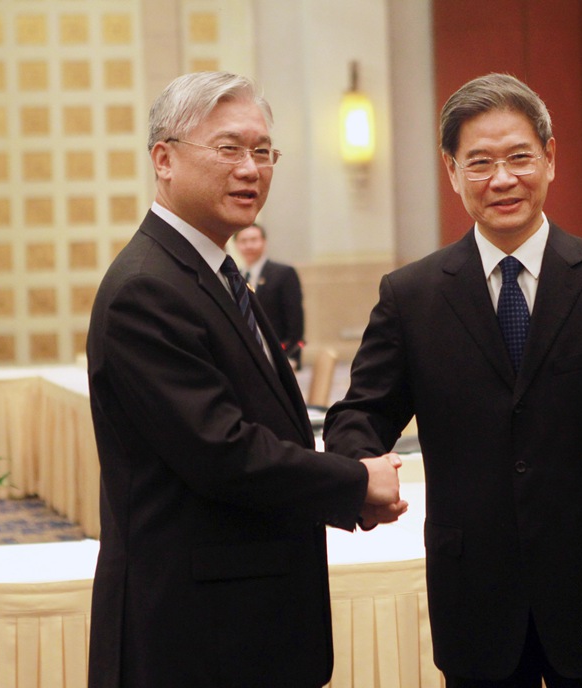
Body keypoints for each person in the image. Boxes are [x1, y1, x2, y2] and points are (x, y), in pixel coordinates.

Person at [324, 73, 582, 687]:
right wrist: (361, 467)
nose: (503, 179)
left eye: (519, 157)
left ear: (550, 158)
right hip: (475, 600)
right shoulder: (412, 297)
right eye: (481, 162)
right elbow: (361, 412)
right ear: (452, 170)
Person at [86, 71, 406, 688]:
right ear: (164, 160)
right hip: (194, 637)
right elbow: (222, 452)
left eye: (263, 151)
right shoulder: (147, 288)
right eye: (228, 148)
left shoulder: (212, 272)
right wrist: (355, 481)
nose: (250, 169)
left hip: (241, 625)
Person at [233, 222, 305, 368]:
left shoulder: (284, 273)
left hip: (280, 356)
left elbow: (295, 320)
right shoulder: (235, 277)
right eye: (243, 241)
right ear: (236, 245)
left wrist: (291, 355)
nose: (249, 245)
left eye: (254, 240)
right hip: (248, 359)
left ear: (264, 242)